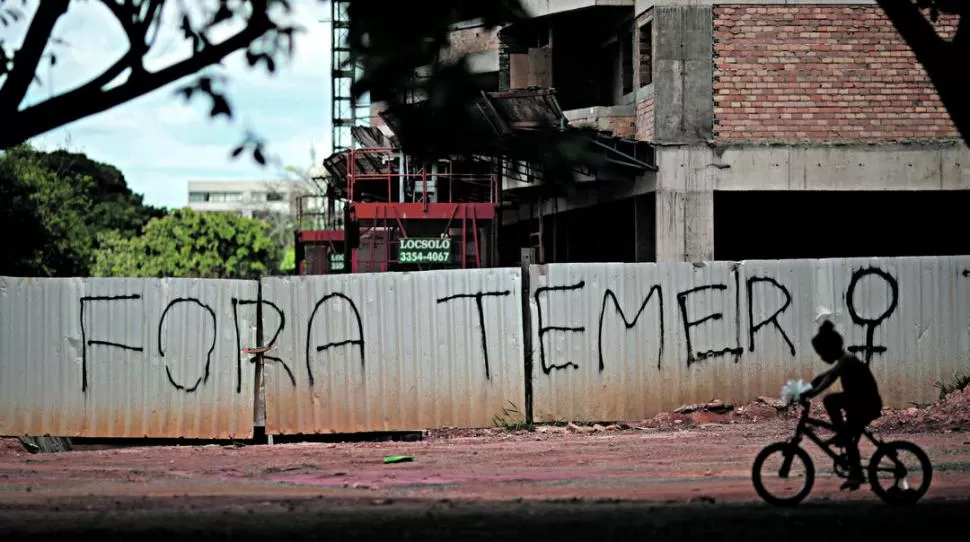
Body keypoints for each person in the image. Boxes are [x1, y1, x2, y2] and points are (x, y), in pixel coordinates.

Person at [801, 320, 884, 490]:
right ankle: (843, 435)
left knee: (831, 402)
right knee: (845, 433)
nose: (822, 357)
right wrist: (806, 388)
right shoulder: (843, 361)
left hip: (866, 404)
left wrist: (812, 393)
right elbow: (824, 376)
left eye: (822, 353)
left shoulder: (847, 360)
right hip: (858, 403)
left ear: (831, 348)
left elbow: (829, 378)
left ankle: (856, 473)